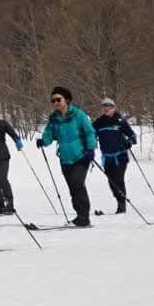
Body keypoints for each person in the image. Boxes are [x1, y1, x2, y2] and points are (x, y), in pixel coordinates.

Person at [37, 86, 97, 227]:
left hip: (81, 156)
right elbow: (49, 135)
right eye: (53, 101)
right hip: (65, 158)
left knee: (77, 183)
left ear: (67, 99)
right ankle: (79, 215)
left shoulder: (78, 115)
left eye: (58, 99)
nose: (56, 103)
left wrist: (91, 149)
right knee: (72, 188)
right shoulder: (54, 118)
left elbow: (90, 132)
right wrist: (43, 141)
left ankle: (84, 217)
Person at [92, 97, 138, 213]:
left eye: (109, 106)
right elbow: (90, 136)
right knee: (111, 182)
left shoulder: (120, 121)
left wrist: (129, 142)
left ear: (114, 108)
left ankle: (122, 206)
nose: (107, 109)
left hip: (120, 156)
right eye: (104, 106)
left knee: (118, 180)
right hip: (107, 158)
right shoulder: (98, 122)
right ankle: (119, 201)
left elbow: (133, 136)